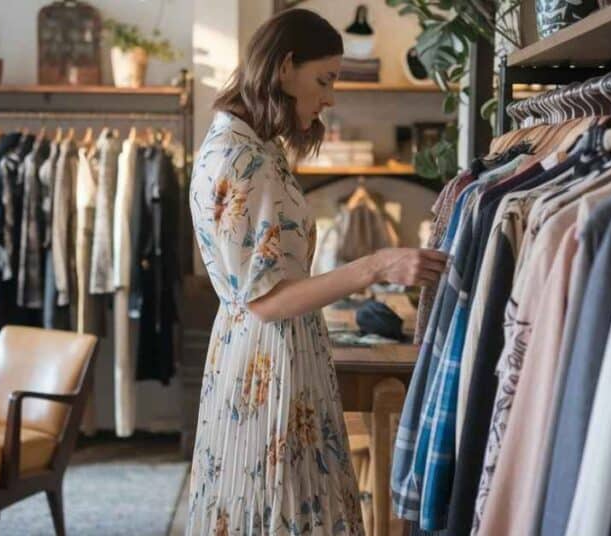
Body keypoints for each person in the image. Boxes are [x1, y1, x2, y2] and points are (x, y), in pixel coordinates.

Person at [186, 9, 447, 535]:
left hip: (268, 350)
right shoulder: (243, 159)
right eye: (324, 79)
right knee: (275, 509)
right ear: (285, 68)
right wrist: (376, 264)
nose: (330, 97)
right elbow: (264, 299)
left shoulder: (253, 146)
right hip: (269, 357)